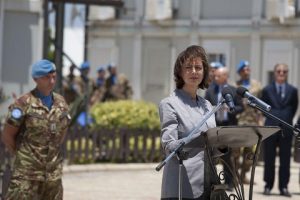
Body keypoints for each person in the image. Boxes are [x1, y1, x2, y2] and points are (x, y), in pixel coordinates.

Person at [1, 59, 71, 199]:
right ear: (35, 79)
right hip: (27, 176)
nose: (51, 81)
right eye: (46, 77)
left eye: (53, 76)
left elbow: (62, 131)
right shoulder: (23, 104)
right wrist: (23, 156)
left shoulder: (61, 103)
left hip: (52, 175)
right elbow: (8, 135)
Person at [159, 45, 216, 199]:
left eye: (198, 67)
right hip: (182, 184)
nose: (194, 72)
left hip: (209, 183)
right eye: (188, 67)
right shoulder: (170, 104)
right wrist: (196, 138)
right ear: (180, 72)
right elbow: (168, 144)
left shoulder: (207, 105)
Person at [261, 63, 298, 197]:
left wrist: (285, 119)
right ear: (275, 72)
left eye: (284, 71)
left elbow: (293, 107)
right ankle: (268, 185)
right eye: (279, 71)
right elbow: (263, 108)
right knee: (269, 158)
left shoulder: (293, 90)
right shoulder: (267, 90)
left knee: (285, 160)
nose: (281, 74)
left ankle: (283, 187)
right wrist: (274, 119)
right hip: (270, 127)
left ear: (287, 73)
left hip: (286, 129)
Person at [205, 67, 244, 190]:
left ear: (225, 76)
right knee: (212, 156)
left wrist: (230, 109)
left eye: (218, 76)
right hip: (215, 126)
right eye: (215, 76)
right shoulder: (210, 90)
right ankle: (213, 181)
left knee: (228, 156)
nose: (215, 78)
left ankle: (230, 183)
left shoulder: (233, 90)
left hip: (229, 125)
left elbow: (241, 107)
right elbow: (205, 107)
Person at [234, 60, 263, 184]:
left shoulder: (256, 85)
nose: (247, 71)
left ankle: (244, 174)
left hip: (253, 122)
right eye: (244, 69)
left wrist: (261, 119)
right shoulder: (235, 85)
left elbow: (261, 103)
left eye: (248, 68)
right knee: (235, 152)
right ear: (240, 72)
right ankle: (235, 175)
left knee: (250, 153)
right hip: (238, 122)